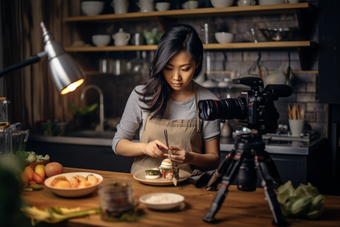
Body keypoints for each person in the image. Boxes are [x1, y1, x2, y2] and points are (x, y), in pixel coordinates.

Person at [112, 24, 220, 174]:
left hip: (187, 186)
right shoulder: (142, 94)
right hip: (144, 182)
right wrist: (145, 147)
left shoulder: (208, 101)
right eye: (169, 68)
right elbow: (118, 144)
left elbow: (214, 159)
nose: (176, 77)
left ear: (197, 63)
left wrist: (190, 157)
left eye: (185, 69)